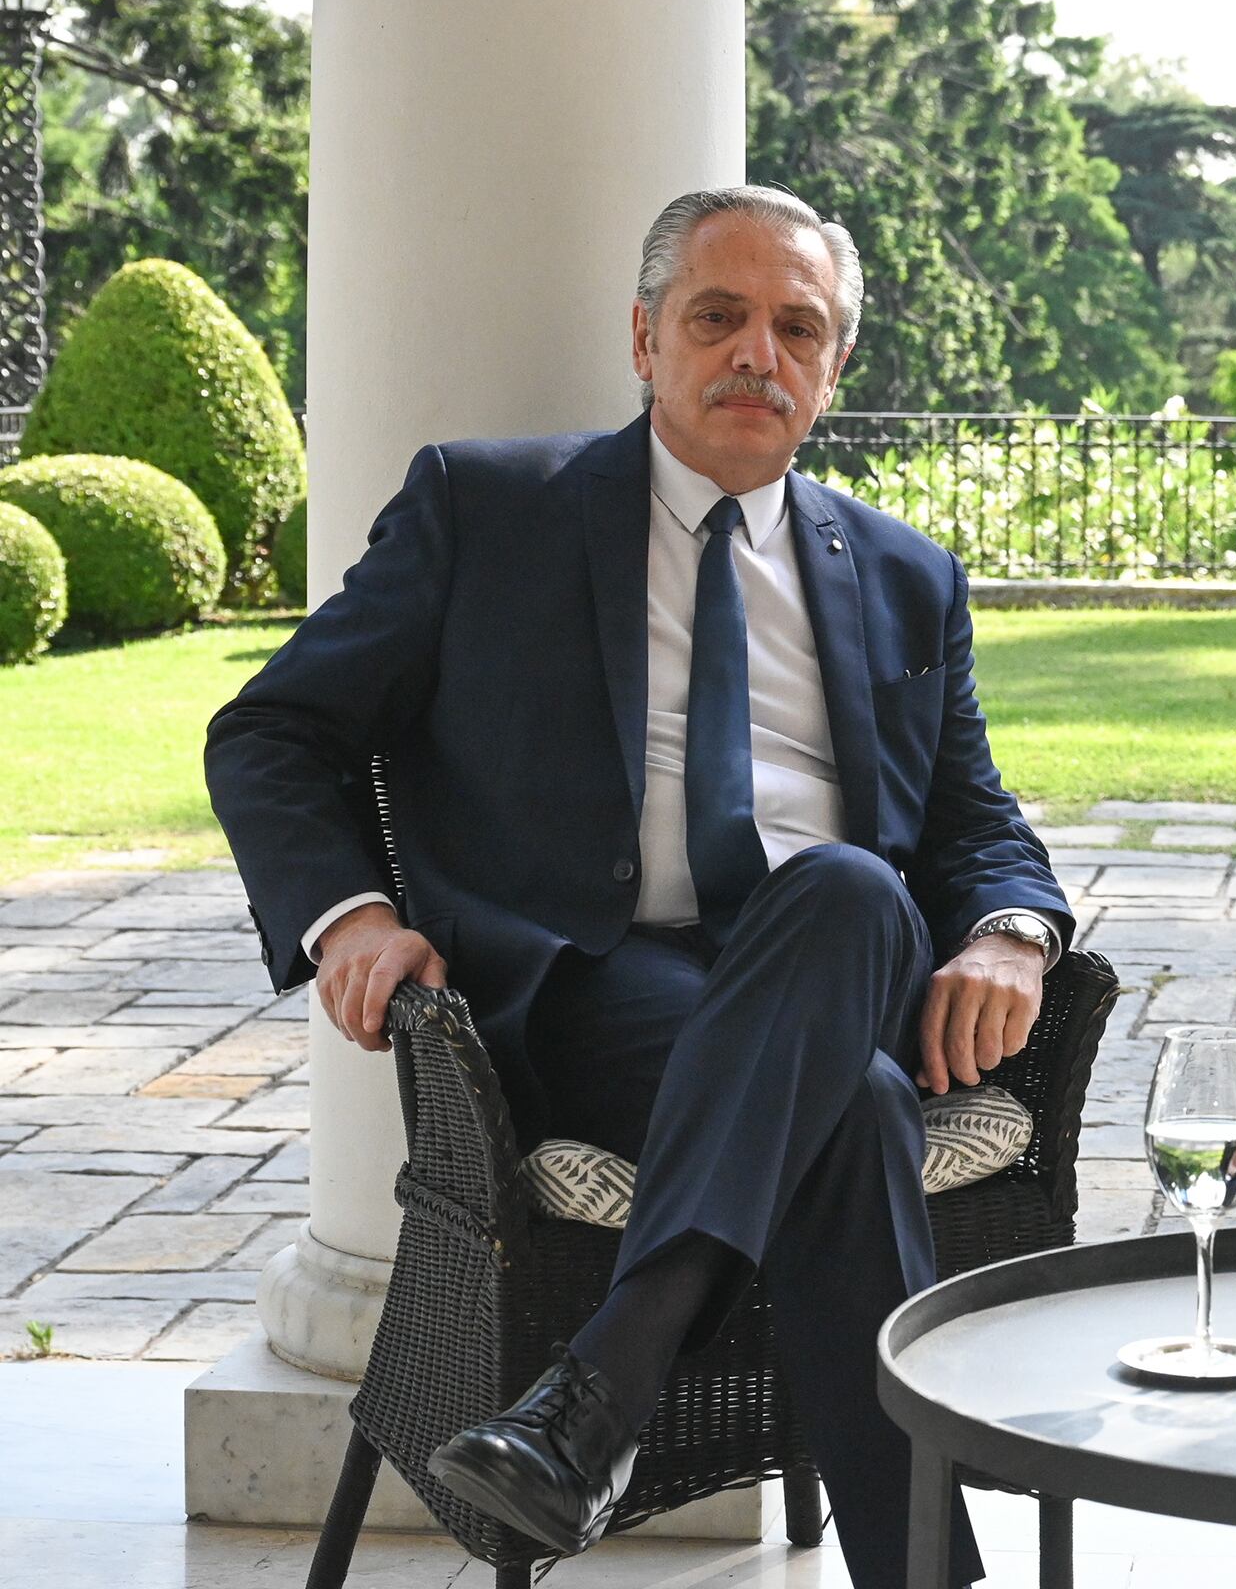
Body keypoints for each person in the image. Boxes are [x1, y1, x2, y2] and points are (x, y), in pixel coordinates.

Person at [205, 186, 1070, 1589]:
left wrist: (1016, 936)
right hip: (596, 995)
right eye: (718, 317)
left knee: (848, 893)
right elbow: (273, 731)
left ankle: (594, 1399)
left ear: (834, 364)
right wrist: (350, 915)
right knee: (849, 1109)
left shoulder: (907, 577)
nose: (758, 355)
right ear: (643, 339)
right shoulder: (490, 512)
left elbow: (977, 821)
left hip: (837, 961)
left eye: (798, 328)